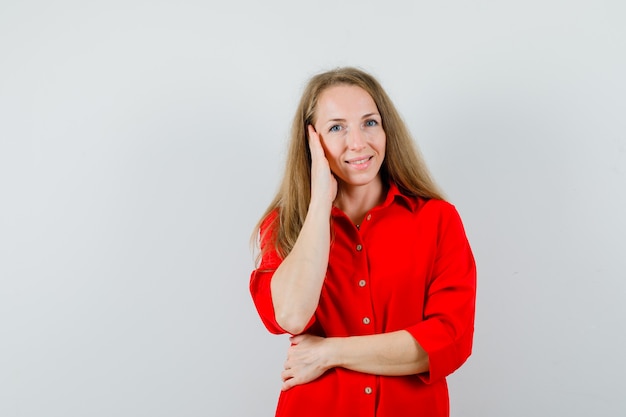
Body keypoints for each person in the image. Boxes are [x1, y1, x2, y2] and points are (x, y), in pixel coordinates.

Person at [249, 67, 476, 417]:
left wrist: (328, 353)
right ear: (312, 141)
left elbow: (448, 341)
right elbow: (292, 316)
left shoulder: (437, 219)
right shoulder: (284, 226)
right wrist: (320, 201)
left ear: (387, 130)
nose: (358, 142)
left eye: (369, 122)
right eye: (336, 127)